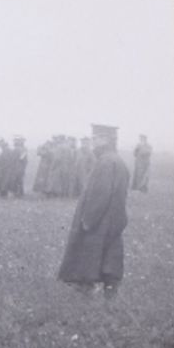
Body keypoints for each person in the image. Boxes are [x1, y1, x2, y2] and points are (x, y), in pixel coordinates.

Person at [57, 123, 132, 298]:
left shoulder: (105, 161)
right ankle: (110, 292)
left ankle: (86, 288)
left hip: (100, 218)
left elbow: (100, 194)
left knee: (89, 252)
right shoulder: (117, 160)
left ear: (105, 139)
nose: (92, 141)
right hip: (114, 218)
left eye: (95, 138)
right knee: (110, 256)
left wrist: (88, 219)